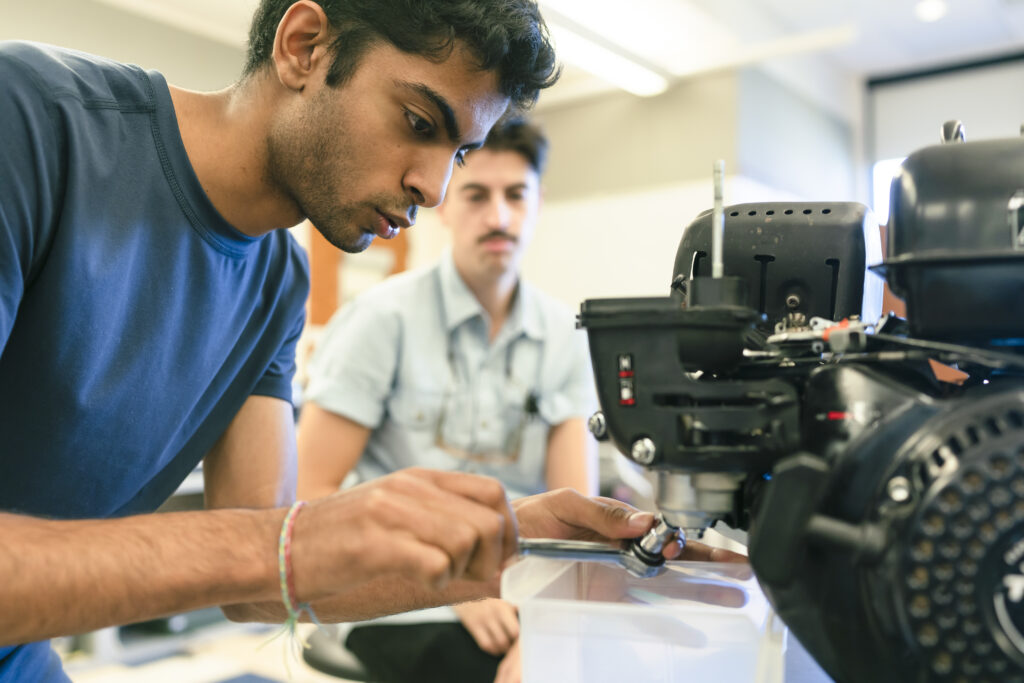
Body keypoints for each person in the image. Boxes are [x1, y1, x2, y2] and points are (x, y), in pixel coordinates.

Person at [0, 1, 741, 679]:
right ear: (304, 47)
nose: (436, 190)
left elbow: (261, 588)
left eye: (458, 153)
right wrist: (311, 534)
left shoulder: (277, 279)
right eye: (421, 122)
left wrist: (509, 543)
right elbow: (279, 551)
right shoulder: (30, 123)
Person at [297, 118, 596, 683]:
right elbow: (308, 497)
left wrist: (550, 630)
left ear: (538, 202)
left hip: (525, 595)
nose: (499, 217)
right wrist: (456, 588)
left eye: (516, 195)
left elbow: (575, 514)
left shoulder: (566, 336)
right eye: (477, 196)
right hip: (399, 602)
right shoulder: (379, 321)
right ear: (444, 202)